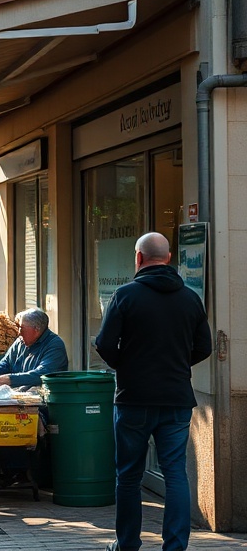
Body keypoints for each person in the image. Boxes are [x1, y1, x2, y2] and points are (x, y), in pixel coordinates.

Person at [94, 232, 212, 551]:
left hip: (133, 398)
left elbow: (104, 344)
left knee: (129, 475)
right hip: (176, 399)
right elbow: (205, 347)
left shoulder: (125, 295)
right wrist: (177, 365)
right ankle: (175, 546)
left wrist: (128, 366)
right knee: (176, 474)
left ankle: (128, 543)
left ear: (138, 258)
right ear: (169, 258)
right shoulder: (190, 298)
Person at [0, 307, 69, 390]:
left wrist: (10, 379)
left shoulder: (55, 345)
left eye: (22, 328)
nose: (19, 333)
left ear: (36, 330)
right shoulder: (20, 342)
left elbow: (42, 374)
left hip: (43, 401)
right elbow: (5, 363)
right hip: (18, 396)